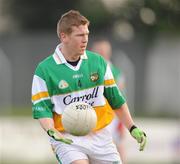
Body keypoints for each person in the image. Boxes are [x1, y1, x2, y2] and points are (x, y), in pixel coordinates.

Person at [31, 10, 147, 164]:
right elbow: (42, 109)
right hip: (67, 138)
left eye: (87, 34)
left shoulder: (98, 62)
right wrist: (51, 131)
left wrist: (132, 127)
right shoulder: (45, 70)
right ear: (64, 36)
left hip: (100, 137)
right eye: (80, 35)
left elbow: (116, 100)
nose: (85, 39)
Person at [91, 39, 127, 163]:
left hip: (111, 116)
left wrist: (121, 122)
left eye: (104, 50)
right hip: (92, 115)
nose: (102, 53)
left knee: (116, 144)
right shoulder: (87, 69)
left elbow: (119, 97)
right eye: (99, 50)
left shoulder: (115, 72)